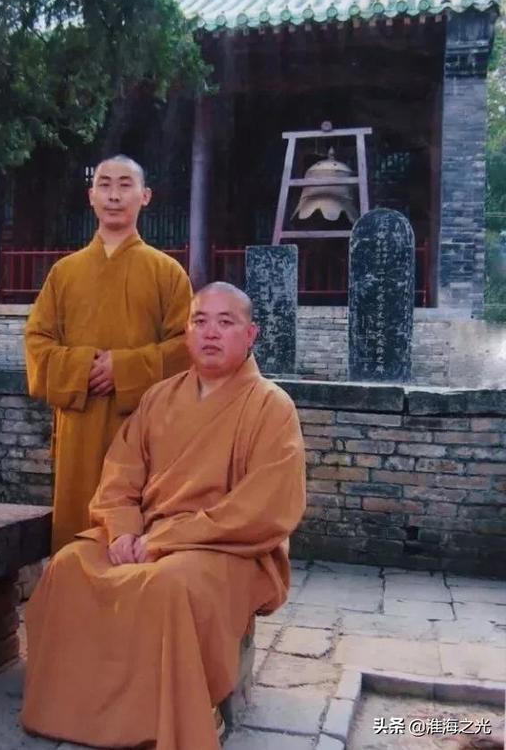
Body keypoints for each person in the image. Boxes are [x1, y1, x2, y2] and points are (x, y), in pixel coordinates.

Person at [21, 282, 307, 750]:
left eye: (226, 322)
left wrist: (166, 541)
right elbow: (120, 476)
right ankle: (73, 710)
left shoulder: (271, 407)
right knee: (69, 566)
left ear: (250, 334)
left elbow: (264, 507)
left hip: (226, 547)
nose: (210, 332)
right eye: (200, 321)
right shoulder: (158, 398)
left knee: (168, 585)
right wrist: (122, 531)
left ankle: (180, 715)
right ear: (187, 332)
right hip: (145, 533)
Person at [24, 155, 192, 552]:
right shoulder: (64, 273)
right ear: (91, 196)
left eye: (125, 185)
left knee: (136, 535)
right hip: (79, 426)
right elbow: (37, 343)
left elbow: (188, 348)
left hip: (142, 427)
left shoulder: (168, 272)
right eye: (105, 185)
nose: (114, 195)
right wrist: (83, 368)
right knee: (76, 533)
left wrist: (125, 369)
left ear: (145, 196)